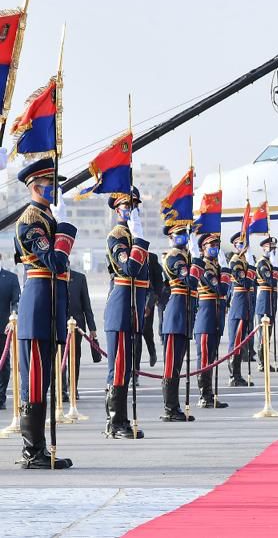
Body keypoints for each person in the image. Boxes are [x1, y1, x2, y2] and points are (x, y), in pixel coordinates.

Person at [12, 157, 77, 468]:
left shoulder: (46, 219)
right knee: (35, 382)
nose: (55, 189)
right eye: (51, 184)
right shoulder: (30, 221)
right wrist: (64, 227)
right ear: (36, 187)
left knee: (44, 381)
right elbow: (55, 262)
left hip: (49, 305)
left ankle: (38, 449)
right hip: (38, 307)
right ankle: (32, 452)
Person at [103, 187, 149, 440]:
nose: (132, 210)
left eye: (135, 206)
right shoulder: (118, 237)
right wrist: (139, 240)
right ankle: (116, 422)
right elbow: (129, 268)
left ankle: (119, 419)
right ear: (117, 209)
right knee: (119, 368)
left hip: (132, 310)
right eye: (127, 206)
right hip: (121, 310)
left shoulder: (132, 236)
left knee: (126, 368)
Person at [158, 224, 195, 422]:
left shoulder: (185, 257)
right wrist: (196, 260)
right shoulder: (174, 257)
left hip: (184, 316)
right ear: (171, 237)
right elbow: (191, 281)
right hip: (175, 317)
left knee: (178, 365)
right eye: (178, 234)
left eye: (184, 234)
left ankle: (175, 407)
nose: (183, 237)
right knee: (171, 365)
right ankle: (170, 409)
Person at [193, 232, 227, 409]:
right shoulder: (204, 267)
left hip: (216, 317)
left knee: (212, 357)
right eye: (211, 246)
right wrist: (226, 271)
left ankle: (210, 394)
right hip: (206, 318)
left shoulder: (216, 266)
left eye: (216, 245)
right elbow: (221, 289)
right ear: (203, 248)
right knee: (205, 357)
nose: (215, 248)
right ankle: (204, 395)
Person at [226, 232, 254, 387]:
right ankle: (234, 376)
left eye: (244, 243)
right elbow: (246, 283)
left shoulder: (244, 261)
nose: (243, 246)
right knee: (236, 342)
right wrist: (251, 265)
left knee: (241, 341)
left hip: (245, 305)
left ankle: (238, 375)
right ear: (235, 245)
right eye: (240, 244)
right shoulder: (235, 261)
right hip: (239, 305)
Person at [65, 269, 95, 402]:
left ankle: (73, 387)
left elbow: (86, 304)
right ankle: (61, 389)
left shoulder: (79, 278)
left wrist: (92, 327)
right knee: (59, 358)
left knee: (74, 358)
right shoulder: (53, 275)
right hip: (58, 324)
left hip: (76, 326)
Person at [254, 235, 278, 373]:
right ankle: (261, 362)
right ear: (264, 248)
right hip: (264, 302)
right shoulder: (262, 264)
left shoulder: (269, 263)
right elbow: (272, 281)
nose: (273, 251)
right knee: (263, 335)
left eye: (274, 248)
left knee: (268, 334)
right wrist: (276, 267)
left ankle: (265, 362)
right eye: (270, 248)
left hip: (271, 301)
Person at [0, 255, 21, 410]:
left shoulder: (11, 278)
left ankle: (1, 397)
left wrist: (12, 318)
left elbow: (16, 302)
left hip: (3, 328)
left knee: (4, 363)